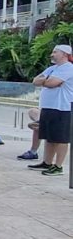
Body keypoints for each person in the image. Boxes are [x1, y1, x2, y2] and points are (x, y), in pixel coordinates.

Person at [26, 44, 73, 176]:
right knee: (49, 137)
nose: (52, 54)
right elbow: (35, 81)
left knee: (60, 139)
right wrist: (47, 80)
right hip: (48, 107)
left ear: (64, 54)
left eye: (55, 52)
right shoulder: (52, 68)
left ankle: (58, 166)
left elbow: (51, 83)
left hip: (62, 108)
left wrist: (46, 81)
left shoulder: (68, 68)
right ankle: (47, 162)